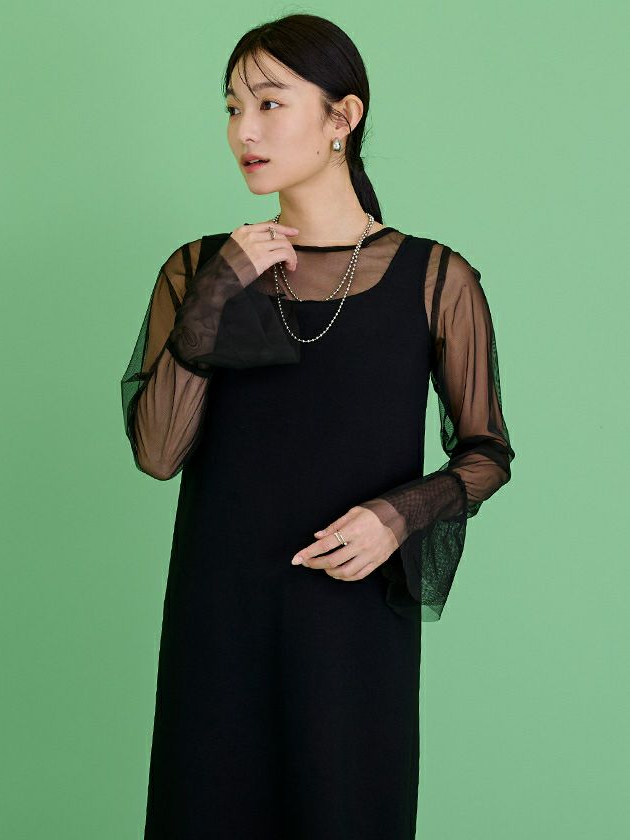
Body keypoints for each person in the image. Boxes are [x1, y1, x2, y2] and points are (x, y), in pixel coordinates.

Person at [120, 13, 515, 840]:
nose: (244, 131)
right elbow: (157, 452)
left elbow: (485, 454)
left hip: (352, 623)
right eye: (232, 108)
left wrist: (398, 515)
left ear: (344, 117)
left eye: (269, 103)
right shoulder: (196, 271)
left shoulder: (434, 278)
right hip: (218, 620)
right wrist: (219, 291)